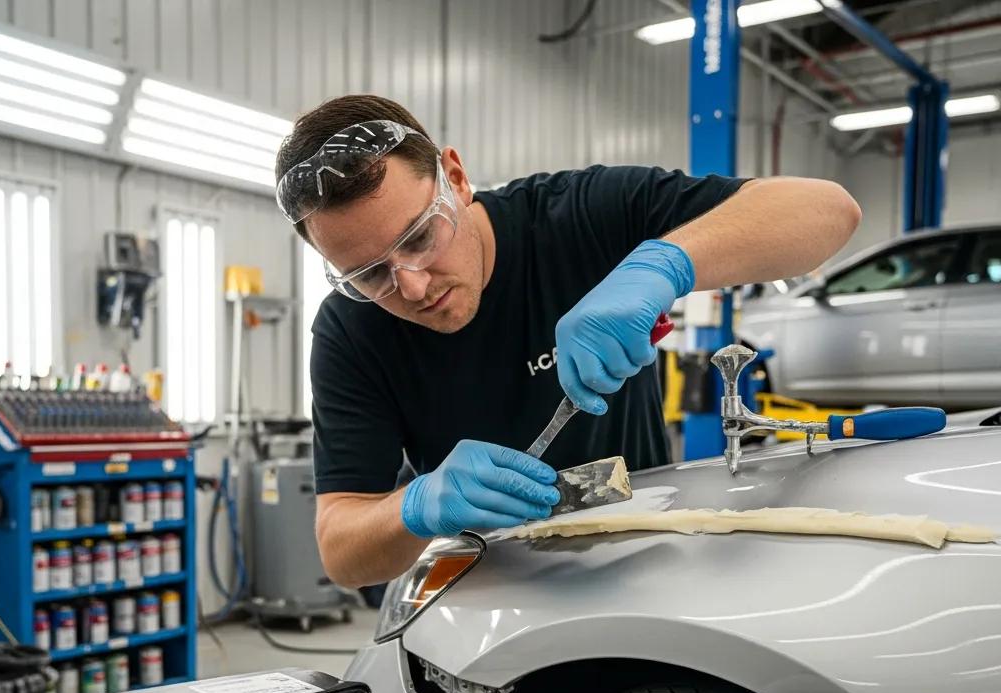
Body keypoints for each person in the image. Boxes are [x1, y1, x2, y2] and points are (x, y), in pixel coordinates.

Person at [275, 95, 860, 588]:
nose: (413, 284)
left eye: (421, 236)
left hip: (641, 551)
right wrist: (414, 506)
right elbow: (342, 551)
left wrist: (663, 266)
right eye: (369, 274)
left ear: (455, 178)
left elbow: (828, 209)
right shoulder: (350, 331)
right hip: (483, 582)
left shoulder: (578, 217)